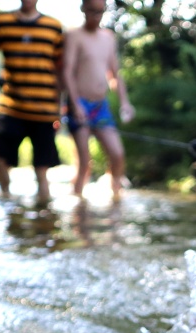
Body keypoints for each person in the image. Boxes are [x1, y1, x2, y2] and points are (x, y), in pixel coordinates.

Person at [0, 0, 66, 203]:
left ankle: (44, 213)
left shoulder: (53, 26)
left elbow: (60, 70)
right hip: (10, 106)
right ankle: (8, 198)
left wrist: (60, 109)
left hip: (45, 110)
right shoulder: (0, 20)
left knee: (42, 171)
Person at [62, 0, 135, 202]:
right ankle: (77, 203)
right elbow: (67, 72)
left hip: (100, 107)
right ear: (83, 9)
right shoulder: (73, 35)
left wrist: (125, 103)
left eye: (100, 12)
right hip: (79, 105)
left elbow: (115, 74)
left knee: (117, 154)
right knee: (84, 162)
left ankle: (115, 198)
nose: (96, 16)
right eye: (92, 11)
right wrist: (75, 105)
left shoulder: (108, 37)